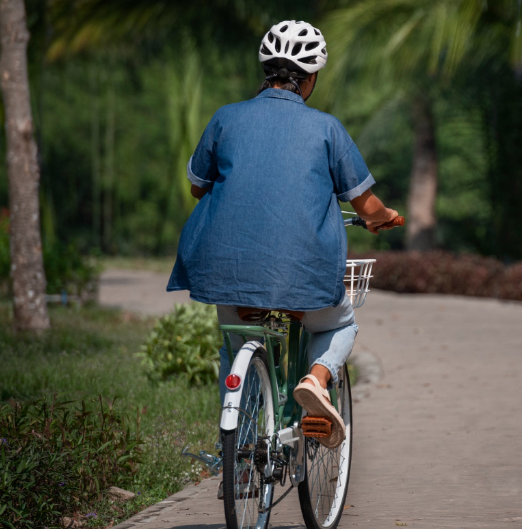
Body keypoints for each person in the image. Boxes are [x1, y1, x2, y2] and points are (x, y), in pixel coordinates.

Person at [167, 20, 401, 449]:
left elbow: (198, 185)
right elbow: (367, 206)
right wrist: (386, 216)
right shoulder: (327, 128)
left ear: (267, 71)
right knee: (340, 324)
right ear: (310, 79)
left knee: (234, 342)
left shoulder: (225, 118)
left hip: (226, 271)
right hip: (303, 275)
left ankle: (235, 445)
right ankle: (316, 378)